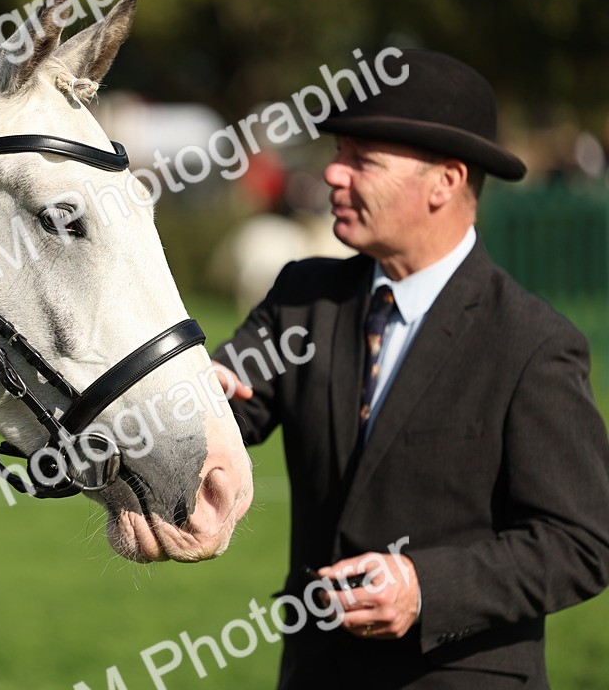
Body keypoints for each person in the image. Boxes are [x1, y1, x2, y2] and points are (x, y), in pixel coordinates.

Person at [212, 50, 609, 689]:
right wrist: (191, 393)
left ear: (445, 182)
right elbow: (232, 400)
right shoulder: (302, 297)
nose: (333, 175)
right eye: (338, 150)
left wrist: (427, 588)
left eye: (363, 158)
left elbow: (582, 542)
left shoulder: (533, 344)